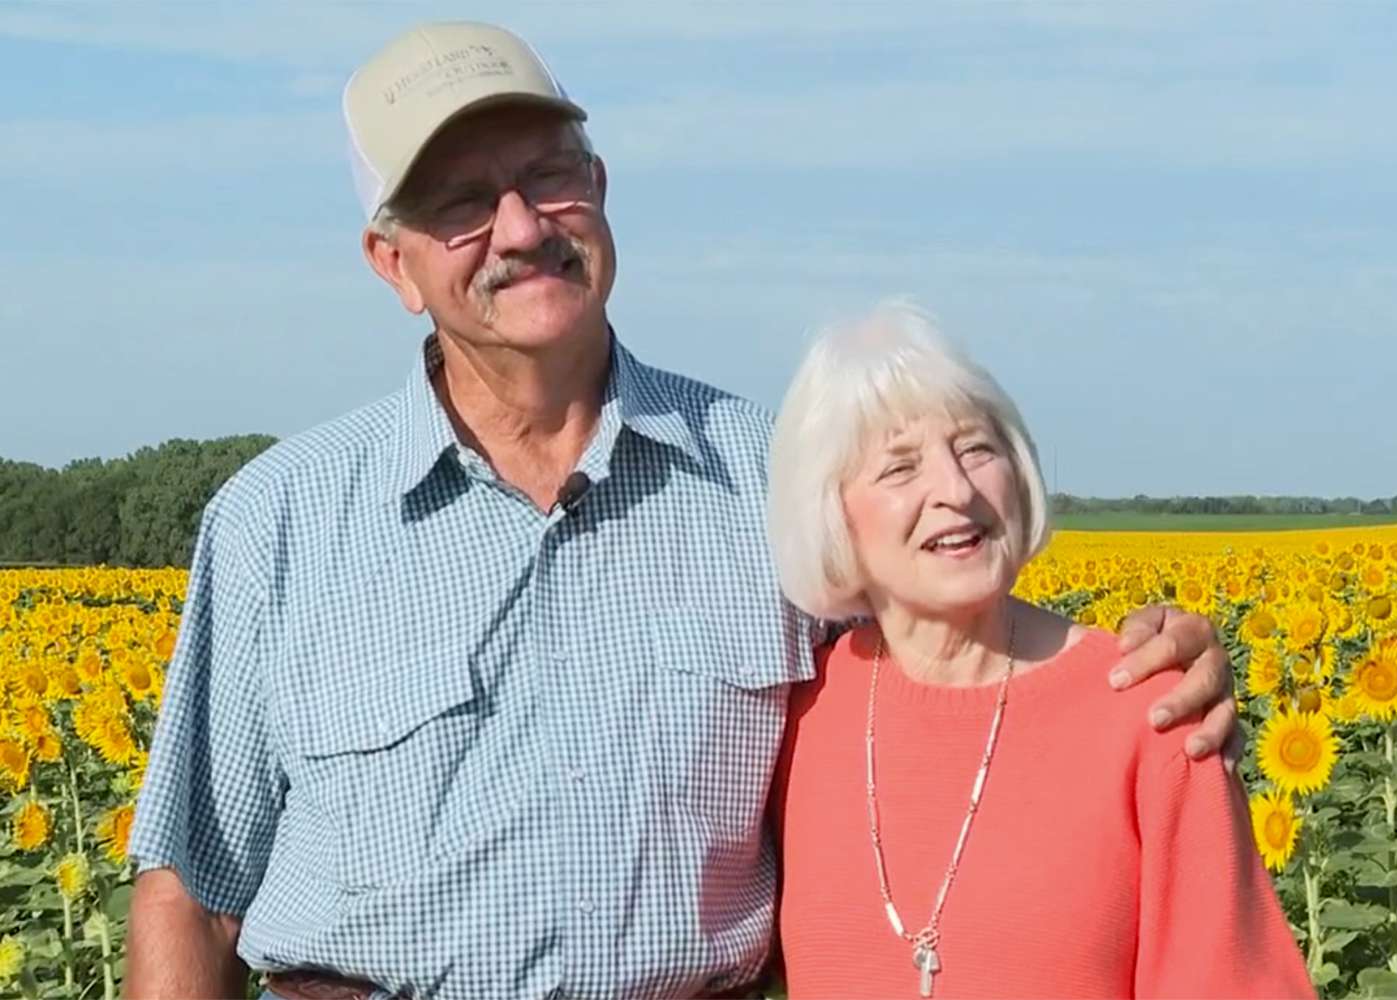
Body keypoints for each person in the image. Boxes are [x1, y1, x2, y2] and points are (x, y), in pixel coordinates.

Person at [124, 21, 1240, 1000]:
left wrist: (1131, 673)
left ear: (600, 190)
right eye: (462, 203)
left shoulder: (776, 475)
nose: (520, 228)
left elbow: (947, 681)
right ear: (393, 263)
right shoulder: (282, 519)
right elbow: (196, 891)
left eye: (548, 178)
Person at [768, 302, 1313, 999]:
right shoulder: (799, 715)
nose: (957, 490)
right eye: (901, 469)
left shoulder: (1151, 709)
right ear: (829, 514)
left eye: (976, 448)